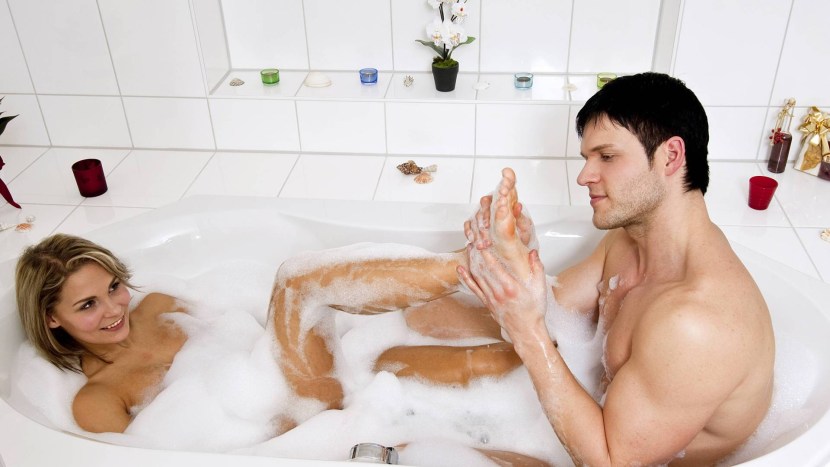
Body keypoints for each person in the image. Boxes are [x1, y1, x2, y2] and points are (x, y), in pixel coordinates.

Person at [457, 72, 775, 466]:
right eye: (587, 158)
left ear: (670, 156)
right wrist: (517, 256)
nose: (584, 176)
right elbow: (550, 307)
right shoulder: (627, 243)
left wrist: (529, 335)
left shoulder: (700, 321)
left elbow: (610, 462)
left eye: (606, 157)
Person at [16, 233, 545, 465]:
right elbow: (155, 460)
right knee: (296, 283)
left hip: (295, 383)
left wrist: (294, 356)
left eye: (112, 287)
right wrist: (284, 434)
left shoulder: (156, 305)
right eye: (86, 306)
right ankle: (472, 265)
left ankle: (542, 356)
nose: (113, 309)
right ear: (51, 319)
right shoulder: (96, 398)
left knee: (386, 361)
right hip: (282, 431)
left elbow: (248, 327)